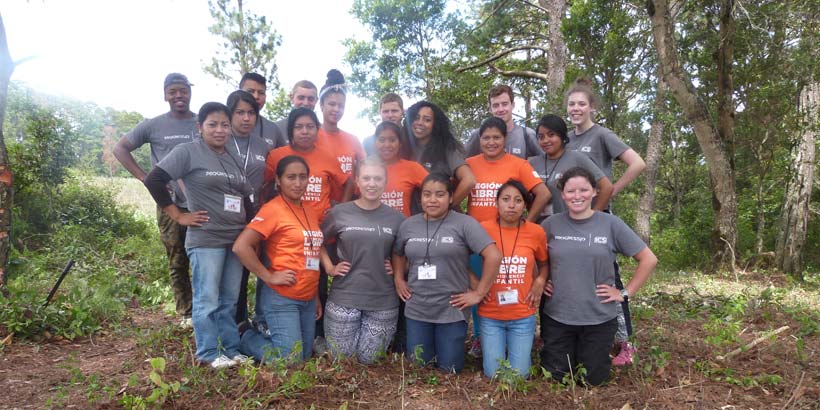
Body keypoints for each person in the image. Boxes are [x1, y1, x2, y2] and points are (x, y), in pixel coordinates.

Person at [143, 102, 252, 369]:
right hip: (207, 240)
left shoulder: (231, 156)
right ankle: (208, 352)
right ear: (199, 127)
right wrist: (178, 215)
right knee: (207, 298)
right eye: (212, 124)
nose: (219, 130)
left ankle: (230, 349)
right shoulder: (188, 152)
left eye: (224, 124)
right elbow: (154, 179)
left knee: (229, 300)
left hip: (234, 240)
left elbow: (244, 195)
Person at [540, 167, 657, 386]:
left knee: (592, 381)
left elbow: (648, 259)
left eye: (583, 190)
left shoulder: (610, 224)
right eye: (571, 191)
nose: (577, 196)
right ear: (562, 193)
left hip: (598, 318)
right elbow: (536, 257)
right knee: (557, 378)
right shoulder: (550, 225)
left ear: (594, 191)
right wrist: (541, 278)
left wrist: (624, 292)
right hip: (558, 316)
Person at [565, 77, 647, 365]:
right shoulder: (567, 139)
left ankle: (626, 343)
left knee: (609, 278)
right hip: (571, 218)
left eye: (581, 104)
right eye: (572, 104)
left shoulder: (601, 135)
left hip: (599, 215)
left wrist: (610, 190)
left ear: (591, 107)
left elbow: (638, 162)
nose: (576, 109)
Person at [393, 173, 502, 373]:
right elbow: (398, 252)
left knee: (449, 370)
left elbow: (493, 256)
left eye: (439, 194)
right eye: (427, 194)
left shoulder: (464, 224)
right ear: (421, 198)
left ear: (451, 197)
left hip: (451, 308)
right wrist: (398, 278)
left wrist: (479, 293)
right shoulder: (409, 225)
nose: (432, 200)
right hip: (418, 307)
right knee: (419, 368)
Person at [113, 73, 198, 328]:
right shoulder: (153, 125)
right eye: (173, 91)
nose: (178, 95)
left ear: (190, 92)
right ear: (165, 95)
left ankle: (207, 309)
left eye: (182, 90)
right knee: (177, 256)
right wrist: (143, 177)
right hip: (169, 203)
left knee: (205, 256)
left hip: (200, 201)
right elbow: (120, 148)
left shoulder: (202, 122)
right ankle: (186, 312)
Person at [464, 117, 550, 356]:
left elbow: (542, 193)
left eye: (497, 137)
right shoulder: (468, 163)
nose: (491, 142)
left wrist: (527, 224)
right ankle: (481, 337)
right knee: (482, 287)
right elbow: (449, 190)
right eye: (486, 138)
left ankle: (518, 336)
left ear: (505, 139)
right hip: (479, 239)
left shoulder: (518, 164)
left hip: (513, 237)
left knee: (511, 284)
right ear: (479, 139)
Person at [234, 156, 324, 363]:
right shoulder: (272, 209)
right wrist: (269, 276)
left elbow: (311, 251)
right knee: (290, 360)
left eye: (303, 177)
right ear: (278, 180)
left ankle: (268, 334)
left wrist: (315, 296)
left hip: (307, 297)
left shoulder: (309, 210)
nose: (298, 183)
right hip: (282, 297)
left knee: (305, 354)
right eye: (291, 177)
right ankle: (246, 336)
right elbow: (241, 246)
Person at [319, 158, 405, 363]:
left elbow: (405, 252)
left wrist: (397, 268)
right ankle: (321, 344)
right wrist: (330, 267)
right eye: (366, 178)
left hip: (383, 300)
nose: (371, 184)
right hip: (345, 297)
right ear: (357, 180)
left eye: (377, 178)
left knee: (369, 360)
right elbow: (317, 241)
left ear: (385, 182)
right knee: (342, 360)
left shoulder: (397, 219)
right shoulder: (339, 213)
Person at [477, 180, 548, 378]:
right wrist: (476, 288)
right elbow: (458, 258)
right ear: (496, 203)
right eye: (506, 199)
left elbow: (544, 263)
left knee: (519, 376)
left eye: (518, 200)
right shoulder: (482, 229)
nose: (511, 205)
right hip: (491, 314)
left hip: (522, 315)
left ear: (525, 205)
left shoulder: (536, 232)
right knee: (494, 375)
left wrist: (540, 281)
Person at [224, 90, 275, 325]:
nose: (246, 118)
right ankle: (222, 328)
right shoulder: (219, 139)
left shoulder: (262, 146)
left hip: (252, 215)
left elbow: (268, 180)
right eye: (240, 113)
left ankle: (243, 322)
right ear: (230, 114)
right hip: (222, 216)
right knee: (224, 276)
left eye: (251, 113)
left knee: (244, 270)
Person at [528, 114, 613, 221]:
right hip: (541, 226)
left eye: (551, 135)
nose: (545, 140)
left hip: (572, 226)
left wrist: (593, 218)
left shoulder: (577, 158)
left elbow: (606, 187)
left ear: (562, 136)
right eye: (541, 137)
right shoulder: (533, 163)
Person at [404, 101, 476, 207]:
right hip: (411, 218)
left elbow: (469, 180)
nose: (420, 122)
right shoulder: (402, 147)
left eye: (427, 120)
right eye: (416, 117)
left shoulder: (446, 148)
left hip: (439, 219)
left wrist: (447, 208)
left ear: (435, 124)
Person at [464, 85, 543, 159]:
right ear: (490, 109)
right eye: (496, 105)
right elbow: (461, 163)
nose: (501, 109)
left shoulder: (526, 134)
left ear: (512, 105)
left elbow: (548, 161)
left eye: (504, 104)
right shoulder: (478, 135)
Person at [316, 69, 365, 177]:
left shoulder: (353, 140)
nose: (336, 109)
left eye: (341, 105)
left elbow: (365, 172)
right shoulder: (311, 138)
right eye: (332, 104)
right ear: (322, 105)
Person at [373, 121, 427, 217]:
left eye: (392, 140)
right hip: (371, 227)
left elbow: (436, 187)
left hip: (402, 229)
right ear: (375, 142)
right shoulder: (366, 168)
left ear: (400, 143)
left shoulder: (412, 168)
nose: (387, 145)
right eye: (381, 140)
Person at [239, 72, 288, 149]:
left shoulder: (273, 129)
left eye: (261, 93)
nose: (256, 96)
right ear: (239, 92)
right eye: (250, 91)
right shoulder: (224, 123)